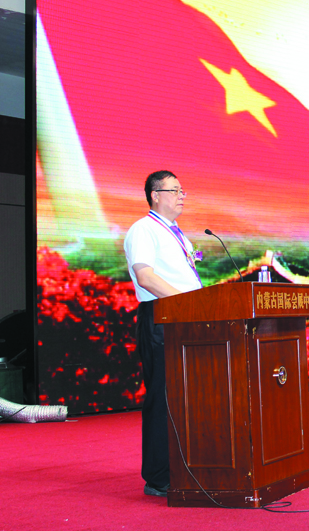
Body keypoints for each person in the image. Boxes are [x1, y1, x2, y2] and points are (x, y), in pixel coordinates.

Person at [123, 171, 203, 498]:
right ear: (155, 195)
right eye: (175, 190)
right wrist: (188, 304)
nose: (182, 195)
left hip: (184, 318)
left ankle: (186, 465)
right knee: (163, 397)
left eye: (183, 190)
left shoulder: (178, 234)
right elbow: (145, 277)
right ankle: (158, 477)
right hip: (161, 318)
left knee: (187, 397)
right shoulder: (143, 229)